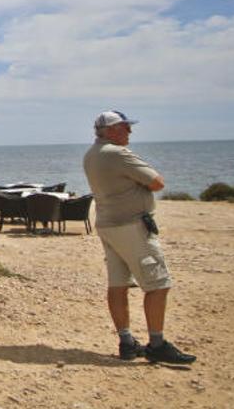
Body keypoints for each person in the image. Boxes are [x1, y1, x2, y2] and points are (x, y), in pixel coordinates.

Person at [83, 110, 195, 364]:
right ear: (111, 130)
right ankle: (157, 343)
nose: (130, 132)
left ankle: (126, 341)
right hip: (131, 226)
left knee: (118, 283)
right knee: (158, 284)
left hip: (108, 224)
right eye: (125, 127)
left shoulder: (91, 155)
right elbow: (156, 182)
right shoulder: (117, 154)